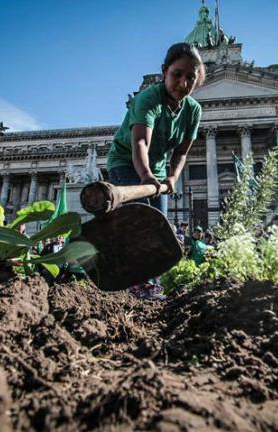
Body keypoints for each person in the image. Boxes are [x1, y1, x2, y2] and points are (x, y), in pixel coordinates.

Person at [106, 42, 205, 300]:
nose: (183, 83)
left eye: (190, 78)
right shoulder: (148, 98)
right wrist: (146, 176)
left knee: (159, 229)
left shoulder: (194, 111)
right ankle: (135, 283)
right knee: (139, 222)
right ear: (164, 71)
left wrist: (171, 177)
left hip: (158, 171)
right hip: (127, 162)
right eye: (177, 74)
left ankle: (150, 284)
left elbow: (181, 152)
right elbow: (141, 143)